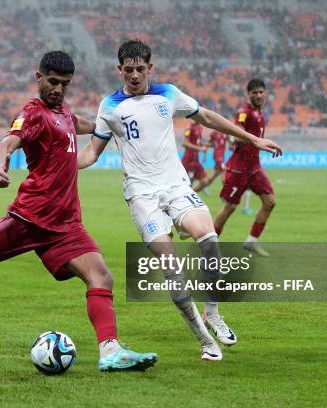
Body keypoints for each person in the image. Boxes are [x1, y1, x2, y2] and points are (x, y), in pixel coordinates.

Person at [0, 51, 157, 372]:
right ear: (39, 78)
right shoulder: (33, 114)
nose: (58, 90)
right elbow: (8, 142)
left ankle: (110, 350)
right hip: (29, 220)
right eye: (52, 82)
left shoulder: (63, 110)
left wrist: (111, 127)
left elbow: (77, 123)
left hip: (65, 225)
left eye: (64, 84)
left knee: (101, 275)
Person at [78, 40, 282, 361]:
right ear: (119, 70)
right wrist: (59, 162)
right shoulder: (110, 106)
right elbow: (91, 152)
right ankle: (204, 340)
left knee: (210, 240)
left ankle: (212, 312)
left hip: (175, 186)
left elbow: (208, 118)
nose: (134, 75)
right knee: (172, 269)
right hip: (142, 196)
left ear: (150, 68)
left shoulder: (168, 94)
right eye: (128, 70)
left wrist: (254, 139)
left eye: (140, 69)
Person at [214, 79, 276, 257]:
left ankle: (251, 241)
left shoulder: (260, 113)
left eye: (261, 92)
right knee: (229, 208)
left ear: (265, 93)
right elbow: (237, 132)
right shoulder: (244, 112)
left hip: (254, 169)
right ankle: (208, 247)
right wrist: (248, 140)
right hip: (239, 169)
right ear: (248, 94)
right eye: (254, 92)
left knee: (270, 202)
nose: (258, 95)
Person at [181, 119, 210, 193]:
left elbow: (198, 142)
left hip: (196, 160)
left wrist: (204, 148)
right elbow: (184, 143)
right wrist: (200, 148)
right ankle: (188, 197)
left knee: (205, 181)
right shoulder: (189, 128)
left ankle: (191, 195)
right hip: (188, 160)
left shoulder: (199, 128)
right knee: (187, 184)